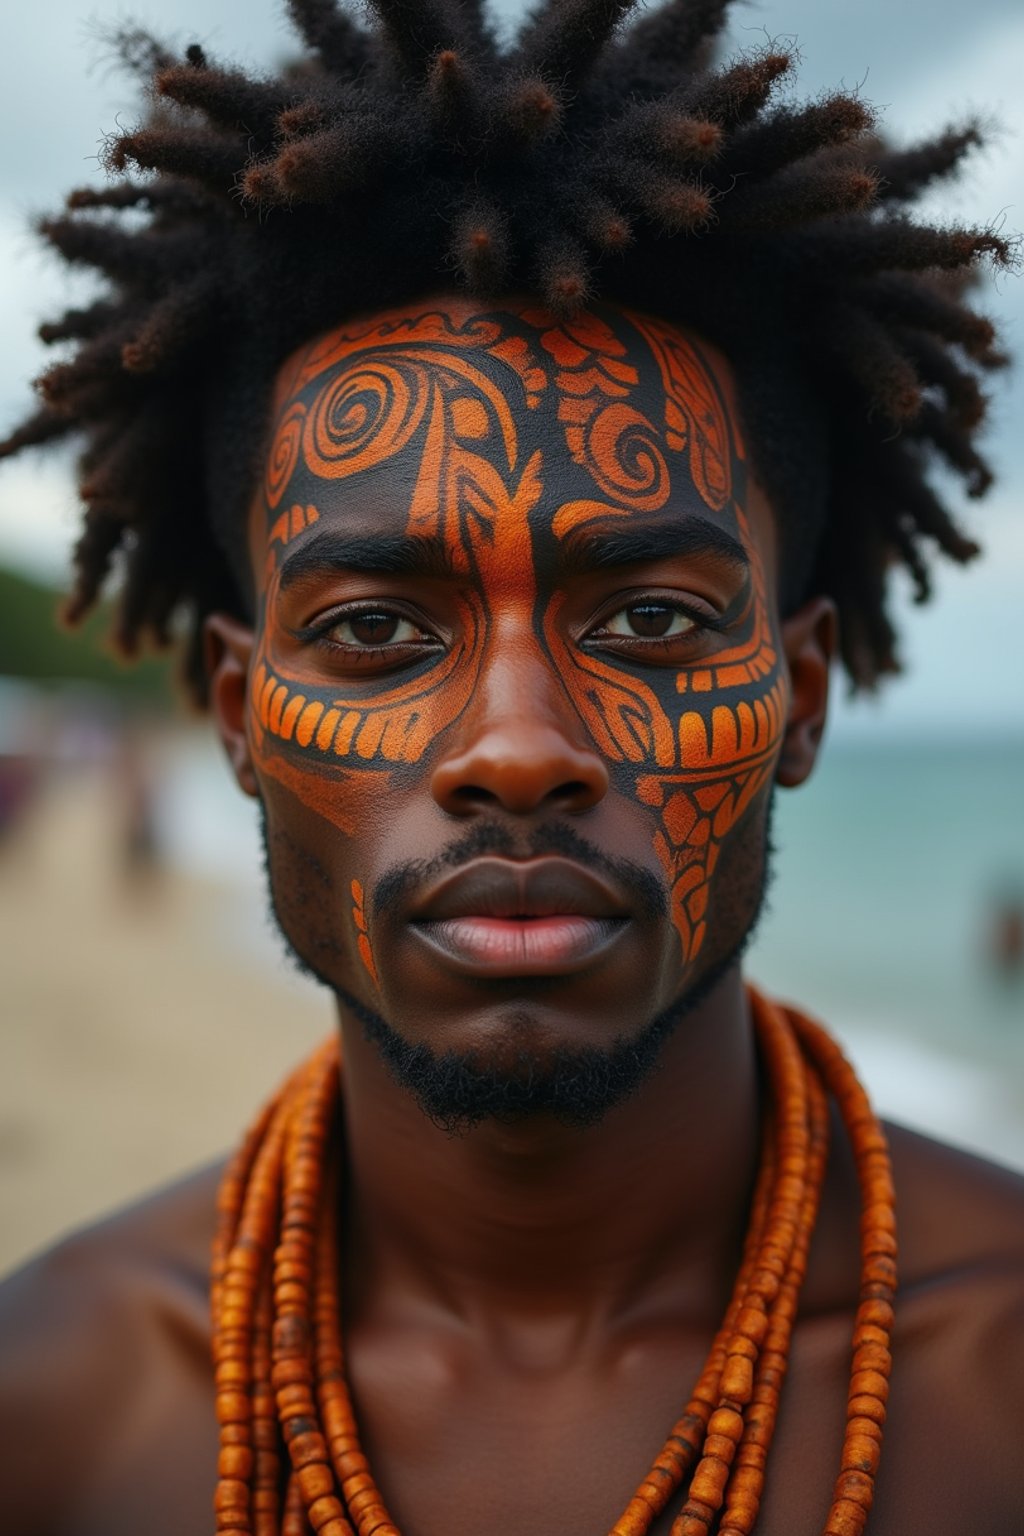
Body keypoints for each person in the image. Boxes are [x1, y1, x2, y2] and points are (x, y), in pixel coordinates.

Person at [1, 1, 1022, 1532]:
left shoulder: (994, 1386)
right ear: (235, 712)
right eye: (373, 631)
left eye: (658, 617)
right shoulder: (60, 1405)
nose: (520, 748)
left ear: (798, 694)